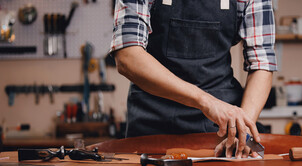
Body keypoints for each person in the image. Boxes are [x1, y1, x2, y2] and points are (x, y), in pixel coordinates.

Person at [110, 0, 277, 158]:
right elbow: (127, 57)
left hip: (221, 131)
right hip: (152, 126)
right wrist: (206, 101)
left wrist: (242, 128)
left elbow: (261, 63)